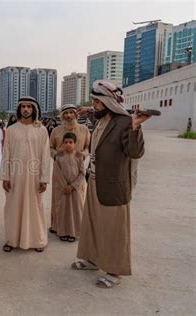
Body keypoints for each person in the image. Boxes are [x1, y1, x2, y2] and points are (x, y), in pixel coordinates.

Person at [72, 80, 149, 289]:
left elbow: (135, 153)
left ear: (107, 102)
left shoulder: (125, 122)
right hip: (95, 182)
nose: (93, 104)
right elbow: (100, 125)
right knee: (93, 224)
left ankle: (115, 270)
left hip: (114, 186)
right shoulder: (102, 118)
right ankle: (93, 259)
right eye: (93, 101)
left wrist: (135, 127)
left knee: (114, 230)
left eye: (97, 101)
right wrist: (91, 109)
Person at [0, 96, 51, 253]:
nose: (26, 109)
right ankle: (11, 239)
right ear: (19, 109)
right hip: (15, 177)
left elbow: (45, 155)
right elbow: (6, 154)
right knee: (13, 207)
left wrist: (44, 179)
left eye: (29, 106)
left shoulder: (41, 130)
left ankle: (37, 240)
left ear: (34, 109)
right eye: (23, 107)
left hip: (34, 177)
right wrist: (5, 177)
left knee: (35, 207)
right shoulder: (11, 130)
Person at [49, 104, 90, 235]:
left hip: (77, 171)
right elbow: (50, 147)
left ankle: (75, 229)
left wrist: (83, 155)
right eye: (66, 113)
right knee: (59, 201)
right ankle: (57, 226)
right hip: (60, 171)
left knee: (76, 201)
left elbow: (89, 148)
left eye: (71, 113)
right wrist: (56, 155)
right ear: (62, 116)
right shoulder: (56, 130)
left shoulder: (84, 130)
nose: (69, 115)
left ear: (76, 114)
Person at [52, 132, 86, 242]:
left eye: (70, 142)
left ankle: (73, 232)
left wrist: (73, 186)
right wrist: (64, 186)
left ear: (75, 144)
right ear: (62, 144)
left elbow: (82, 173)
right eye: (65, 142)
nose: (68, 144)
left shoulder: (79, 156)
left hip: (75, 190)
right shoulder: (59, 156)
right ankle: (62, 231)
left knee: (76, 210)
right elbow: (57, 172)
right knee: (62, 210)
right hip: (62, 189)